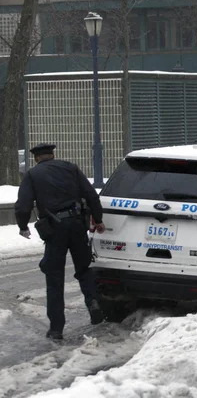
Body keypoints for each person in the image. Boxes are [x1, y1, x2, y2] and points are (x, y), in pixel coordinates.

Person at [14, 143, 107, 340]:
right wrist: (97, 219)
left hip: (54, 229)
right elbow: (91, 194)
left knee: (54, 277)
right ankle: (93, 303)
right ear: (52, 155)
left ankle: (56, 328)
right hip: (77, 224)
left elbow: (23, 205)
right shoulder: (70, 168)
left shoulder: (33, 175)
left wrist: (23, 225)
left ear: (36, 158)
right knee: (84, 268)